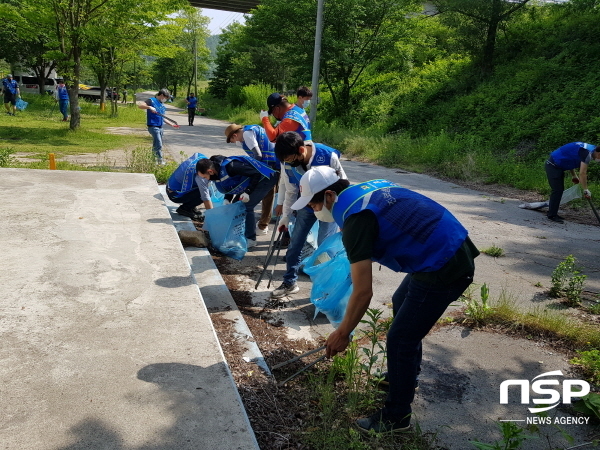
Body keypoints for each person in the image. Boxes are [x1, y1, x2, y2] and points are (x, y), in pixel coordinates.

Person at [292, 166, 479, 433]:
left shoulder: (356, 218)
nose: (313, 211)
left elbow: (363, 291)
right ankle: (403, 376)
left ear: (330, 195)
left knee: (401, 339)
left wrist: (342, 332)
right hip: (446, 247)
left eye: (313, 204)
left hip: (444, 264)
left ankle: (396, 416)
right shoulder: (364, 190)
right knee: (401, 300)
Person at [270, 131, 347, 298]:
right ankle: (289, 282)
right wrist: (285, 216)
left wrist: (341, 218)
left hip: (328, 205)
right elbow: (290, 189)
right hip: (306, 203)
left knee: (326, 247)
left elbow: (343, 185)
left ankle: (326, 289)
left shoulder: (328, 156)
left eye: (290, 159)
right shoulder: (287, 161)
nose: (289, 163)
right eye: (285, 161)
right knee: (295, 243)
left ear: (301, 150)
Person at [197, 155, 279, 248]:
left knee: (246, 207)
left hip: (265, 178)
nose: (206, 179)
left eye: (205, 177)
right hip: (250, 180)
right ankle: (239, 234)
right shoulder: (217, 170)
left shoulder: (232, 166)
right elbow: (231, 182)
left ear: (210, 171)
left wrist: (248, 192)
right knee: (236, 206)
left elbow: (256, 174)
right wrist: (227, 198)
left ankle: (251, 239)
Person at [225, 123, 280, 235]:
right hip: (274, 163)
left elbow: (258, 155)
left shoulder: (247, 135)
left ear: (234, 135)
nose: (236, 143)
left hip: (269, 166)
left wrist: (253, 172)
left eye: (232, 140)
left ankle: (262, 225)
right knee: (269, 195)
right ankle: (263, 225)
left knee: (264, 194)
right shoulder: (251, 129)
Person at [545, 142, 599, 223]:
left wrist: (574, 175)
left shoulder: (588, 149)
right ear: (598, 152)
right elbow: (583, 173)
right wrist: (585, 189)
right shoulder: (587, 152)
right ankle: (552, 215)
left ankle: (552, 212)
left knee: (559, 190)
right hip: (553, 165)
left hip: (558, 166)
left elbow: (570, 158)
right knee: (557, 190)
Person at [167, 152, 215, 220]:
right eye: (204, 177)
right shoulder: (199, 177)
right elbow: (205, 198)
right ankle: (184, 209)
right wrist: (212, 217)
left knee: (204, 188)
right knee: (208, 192)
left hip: (171, 187)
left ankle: (190, 206)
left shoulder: (202, 161)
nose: (205, 178)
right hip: (174, 195)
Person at [137, 89, 174, 165]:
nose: (166, 99)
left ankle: (153, 160)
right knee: (159, 143)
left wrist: (172, 124)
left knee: (156, 144)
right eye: (166, 97)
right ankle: (160, 160)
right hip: (153, 127)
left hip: (160, 127)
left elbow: (162, 118)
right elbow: (140, 105)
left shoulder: (162, 105)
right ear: (162, 95)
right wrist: (149, 107)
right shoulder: (151, 101)